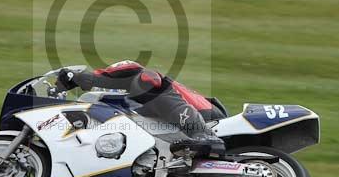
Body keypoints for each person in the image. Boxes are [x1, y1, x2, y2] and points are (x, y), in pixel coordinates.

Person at [56, 60, 226, 156]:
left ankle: (203, 134)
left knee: (146, 83)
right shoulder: (135, 103)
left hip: (206, 114)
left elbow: (131, 70)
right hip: (179, 123)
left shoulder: (138, 78)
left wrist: (76, 77)